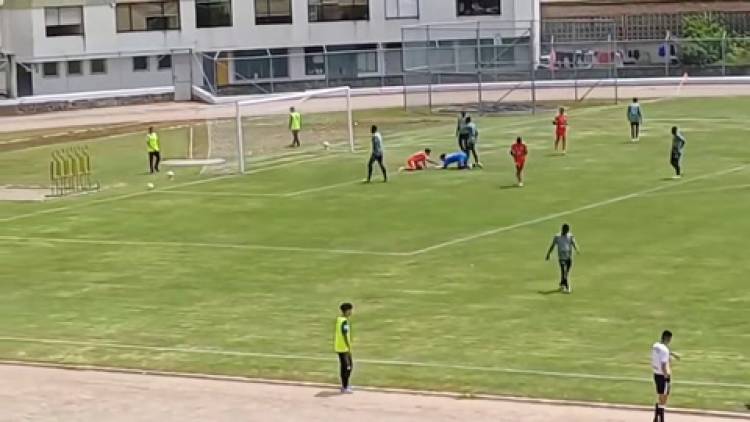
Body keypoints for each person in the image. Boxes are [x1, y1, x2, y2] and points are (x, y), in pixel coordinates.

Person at [652, 330, 681, 422]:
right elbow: (664, 365)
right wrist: (667, 376)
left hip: (656, 374)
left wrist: (672, 354)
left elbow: (664, 350)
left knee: (660, 396)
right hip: (663, 376)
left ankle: (657, 417)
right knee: (664, 398)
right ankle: (660, 418)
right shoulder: (664, 350)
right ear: (668, 338)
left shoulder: (656, 346)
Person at [545, 223, 580, 293]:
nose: (566, 231)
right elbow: (552, 245)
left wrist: (576, 249)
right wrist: (548, 254)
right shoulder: (557, 237)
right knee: (564, 272)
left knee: (565, 272)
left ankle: (562, 283)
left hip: (569, 257)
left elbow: (573, 243)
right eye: (565, 230)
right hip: (561, 258)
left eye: (567, 230)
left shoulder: (570, 236)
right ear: (562, 229)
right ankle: (568, 287)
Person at [334, 302, 354, 394]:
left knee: (348, 366)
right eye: (350, 310)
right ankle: (345, 387)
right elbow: (345, 334)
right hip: (343, 348)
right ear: (346, 311)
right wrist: (348, 346)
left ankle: (345, 385)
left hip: (340, 347)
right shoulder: (344, 321)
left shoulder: (339, 319)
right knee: (346, 367)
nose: (351, 312)